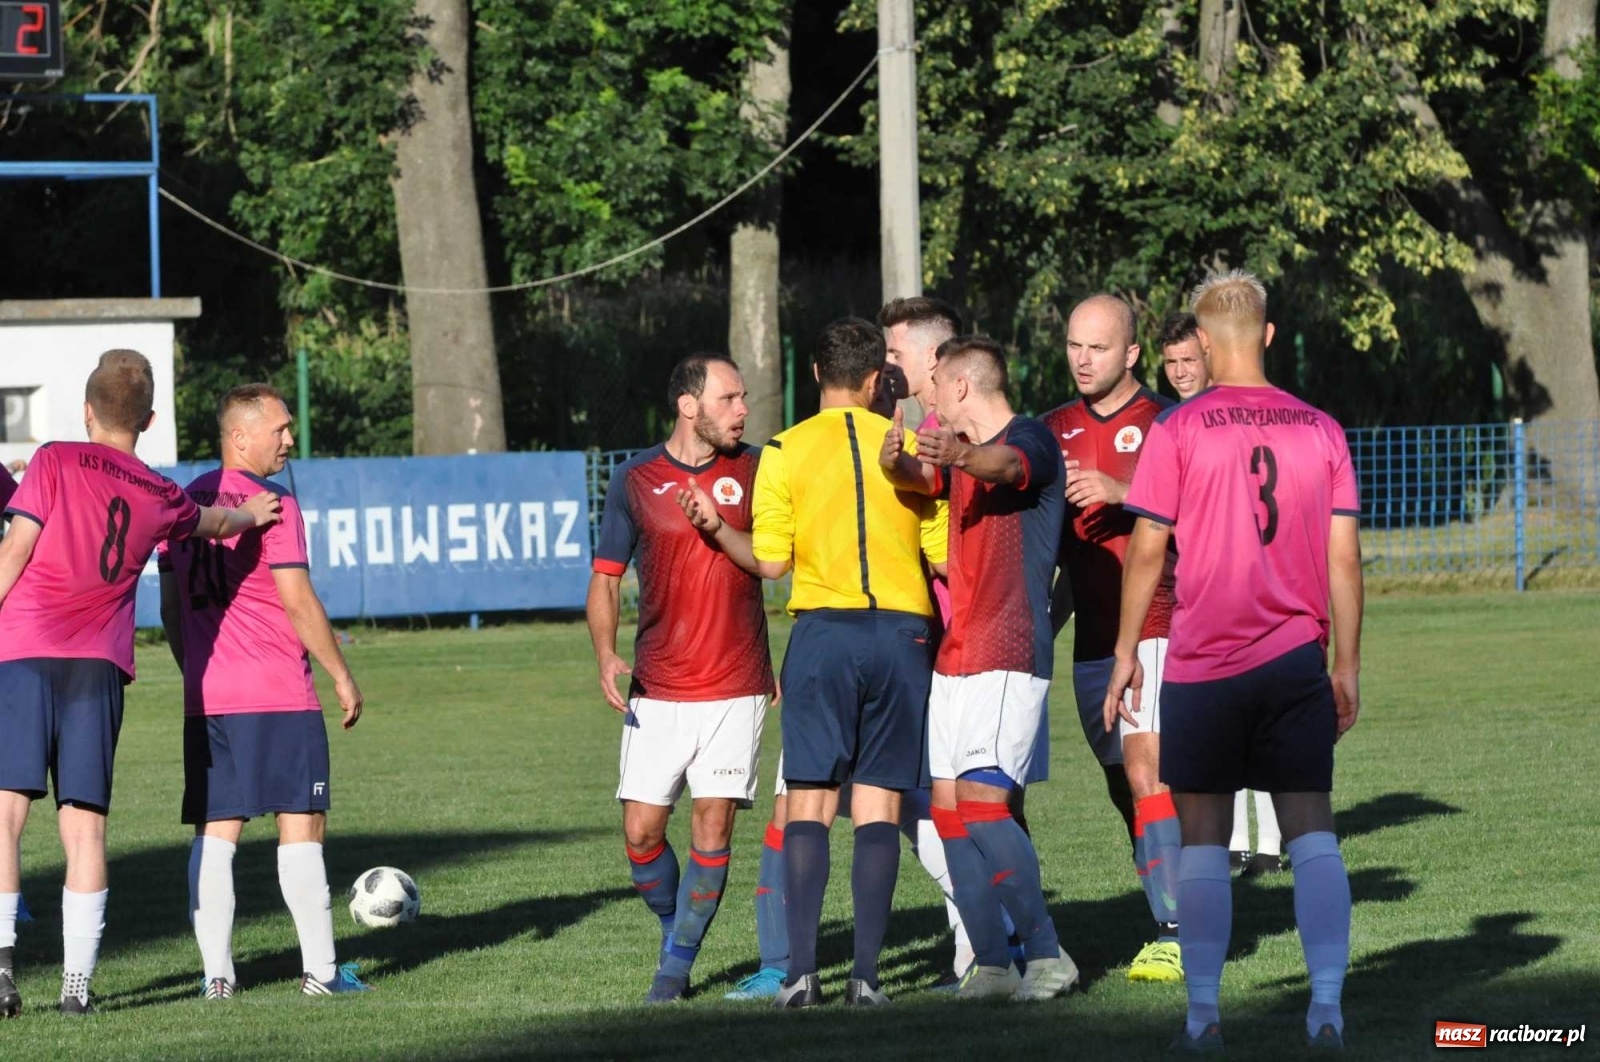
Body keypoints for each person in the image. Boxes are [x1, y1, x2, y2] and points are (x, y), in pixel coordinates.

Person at [1106, 270, 1363, 1052]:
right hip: (1294, 660)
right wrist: (1346, 666)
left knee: (1205, 839)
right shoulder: (1321, 428)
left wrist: (1125, 652)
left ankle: (1203, 1017)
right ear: (1269, 334)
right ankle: (1327, 1008)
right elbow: (1344, 559)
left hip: (1203, 665)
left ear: (1204, 344)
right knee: (1311, 831)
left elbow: (1146, 549)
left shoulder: (1180, 428)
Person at [0, 350, 279, 1016]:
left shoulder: (53, 461)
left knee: (6, 817)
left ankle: (3, 969)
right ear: (149, 420)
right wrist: (251, 513)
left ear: (86, 411)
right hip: (97, 668)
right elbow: (216, 523)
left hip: (24, 653)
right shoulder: (161, 494)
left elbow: (15, 549)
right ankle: (76, 989)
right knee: (85, 830)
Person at [749, 317, 946, 1008]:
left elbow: (771, 561)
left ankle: (802, 975)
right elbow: (941, 553)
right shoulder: (909, 446)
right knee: (878, 804)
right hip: (901, 634)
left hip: (824, 633)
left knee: (807, 798)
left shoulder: (783, 449)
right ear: (873, 380)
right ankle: (867, 978)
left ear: (815, 374)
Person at [158, 383, 369, 1001]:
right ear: (240, 435)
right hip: (275, 691)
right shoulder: (272, 503)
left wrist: (195, 670)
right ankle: (322, 974)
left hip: (209, 696)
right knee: (301, 820)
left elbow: (170, 609)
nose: (289, 439)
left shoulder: (182, 506)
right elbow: (297, 600)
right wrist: (340, 672)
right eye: (278, 429)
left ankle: (216, 978)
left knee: (214, 832)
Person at [587, 354, 774, 1003]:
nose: (742, 410)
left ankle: (674, 971)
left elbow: (784, 558)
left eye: (743, 398)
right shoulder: (635, 478)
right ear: (688, 406)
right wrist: (605, 652)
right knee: (641, 834)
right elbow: (606, 577)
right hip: (658, 685)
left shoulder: (759, 469)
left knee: (712, 828)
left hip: (737, 681)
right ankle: (675, 928)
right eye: (728, 399)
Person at [901, 336, 1077, 1001]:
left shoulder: (1029, 438)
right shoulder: (957, 453)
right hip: (957, 655)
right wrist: (896, 461)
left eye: (937, 384)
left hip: (1007, 653)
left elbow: (1008, 465)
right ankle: (995, 966)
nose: (930, 396)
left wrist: (958, 454)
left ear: (962, 387)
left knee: (983, 807)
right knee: (947, 814)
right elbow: (922, 479)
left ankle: (1048, 957)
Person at [1041, 294, 1184, 983]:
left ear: (1131, 353)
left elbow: (1206, 515)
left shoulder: (1168, 422)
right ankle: (1179, 897)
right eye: (1074, 344)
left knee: (1146, 772)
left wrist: (1122, 489)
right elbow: (1068, 557)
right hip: (1093, 639)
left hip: (1158, 624)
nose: (1082, 358)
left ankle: (1178, 931)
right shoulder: (1051, 429)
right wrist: (1041, 630)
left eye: (1097, 347)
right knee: (1123, 787)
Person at [1161, 314, 1285, 873]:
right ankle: (1235, 840)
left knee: (1257, 721)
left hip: (1250, 586)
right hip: (1199, 594)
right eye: (1172, 362)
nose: (1182, 371)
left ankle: (1271, 844)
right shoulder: (1173, 421)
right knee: (1220, 725)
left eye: (1191, 359)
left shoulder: (1226, 418)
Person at [1159, 312, 1210, 401]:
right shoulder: (1164, 409)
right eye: (1171, 362)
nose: (1179, 373)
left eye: (1188, 360)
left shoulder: (1233, 405)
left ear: (1208, 356)